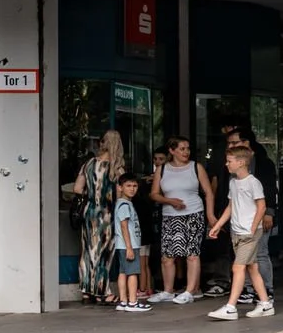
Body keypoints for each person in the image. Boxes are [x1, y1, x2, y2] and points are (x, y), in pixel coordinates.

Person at [206, 146, 273, 320]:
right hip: (237, 232)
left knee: (237, 267)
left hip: (248, 233)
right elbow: (231, 206)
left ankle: (230, 307)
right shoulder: (233, 182)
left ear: (241, 162)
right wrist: (218, 225)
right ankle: (265, 304)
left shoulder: (253, 182)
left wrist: (252, 229)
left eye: (229, 161)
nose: (227, 164)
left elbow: (262, 206)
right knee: (252, 268)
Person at [150, 135, 213, 304]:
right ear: (172, 150)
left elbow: (208, 192)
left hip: (193, 213)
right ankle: (168, 291)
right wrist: (169, 201)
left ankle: (190, 290)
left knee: (192, 254)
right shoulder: (162, 169)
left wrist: (210, 215)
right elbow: (154, 193)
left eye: (188, 148)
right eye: (182, 149)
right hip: (170, 215)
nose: (186, 152)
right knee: (167, 256)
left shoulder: (196, 167)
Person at [222, 123, 278, 303]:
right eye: (229, 144)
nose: (230, 146)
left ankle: (266, 290)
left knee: (259, 254)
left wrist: (268, 213)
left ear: (246, 143)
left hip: (256, 220)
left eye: (234, 142)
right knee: (245, 259)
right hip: (239, 220)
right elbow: (231, 199)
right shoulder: (230, 166)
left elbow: (269, 191)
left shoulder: (263, 162)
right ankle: (249, 291)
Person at [71, 131, 124, 305]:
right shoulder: (116, 168)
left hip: (89, 211)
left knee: (88, 252)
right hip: (106, 214)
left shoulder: (88, 164)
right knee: (103, 253)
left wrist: (92, 194)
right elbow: (120, 193)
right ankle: (104, 292)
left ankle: (87, 292)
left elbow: (77, 189)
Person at [112, 172, 151, 313]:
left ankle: (123, 301)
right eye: (128, 186)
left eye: (134, 186)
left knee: (123, 272)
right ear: (120, 187)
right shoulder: (124, 205)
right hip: (129, 245)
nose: (132, 189)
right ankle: (133, 302)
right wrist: (129, 247)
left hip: (123, 245)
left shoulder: (124, 203)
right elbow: (124, 226)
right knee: (133, 273)